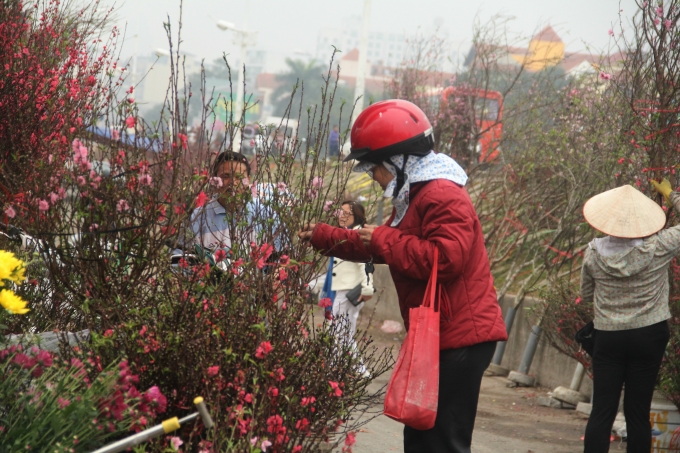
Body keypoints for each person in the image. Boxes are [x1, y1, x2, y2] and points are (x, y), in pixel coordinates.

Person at [298, 99, 508, 453]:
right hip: (441, 332)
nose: (374, 177)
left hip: (461, 337)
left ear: (400, 161)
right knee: (422, 435)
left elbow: (446, 259)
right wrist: (322, 236)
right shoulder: (416, 193)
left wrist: (384, 237)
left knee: (443, 440)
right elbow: (379, 245)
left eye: (375, 168)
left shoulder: (441, 194)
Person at [581, 181, 677, 453]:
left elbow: (586, 294)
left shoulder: (593, 252)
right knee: (638, 411)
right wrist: (671, 195)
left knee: (602, 409)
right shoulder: (659, 246)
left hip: (608, 337)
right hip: (649, 336)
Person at [329, 201, 374, 338]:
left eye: (347, 213)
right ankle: (343, 360)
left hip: (350, 291)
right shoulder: (346, 233)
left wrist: (367, 288)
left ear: (357, 215)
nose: (342, 216)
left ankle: (347, 360)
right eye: (340, 213)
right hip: (344, 289)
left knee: (340, 335)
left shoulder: (358, 234)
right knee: (340, 335)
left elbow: (365, 263)